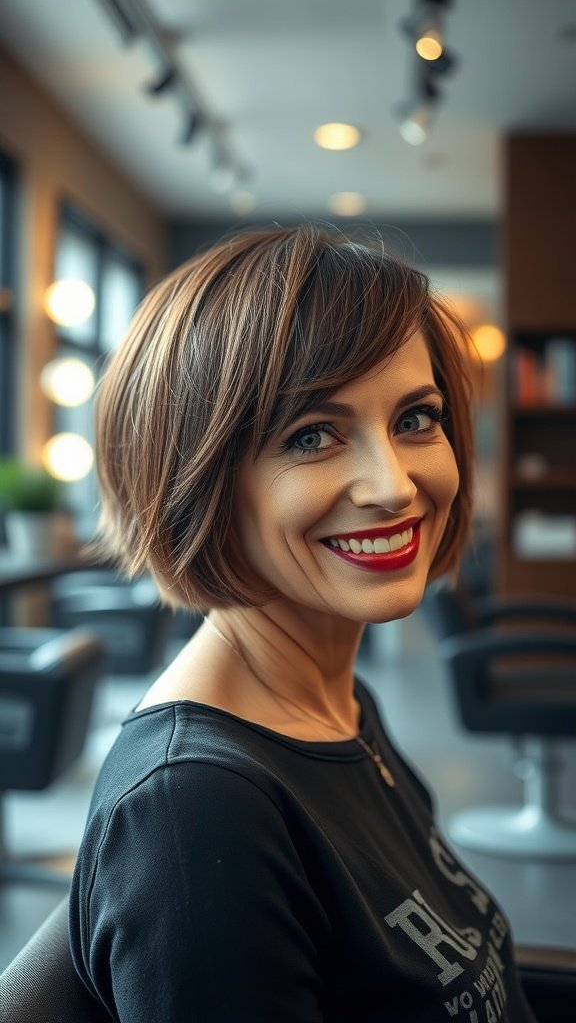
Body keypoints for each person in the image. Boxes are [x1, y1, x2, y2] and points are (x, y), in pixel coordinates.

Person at [68, 224, 537, 1022]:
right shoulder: (192, 815)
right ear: (198, 479)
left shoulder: (335, 705)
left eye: (416, 419)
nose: (392, 486)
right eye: (312, 435)